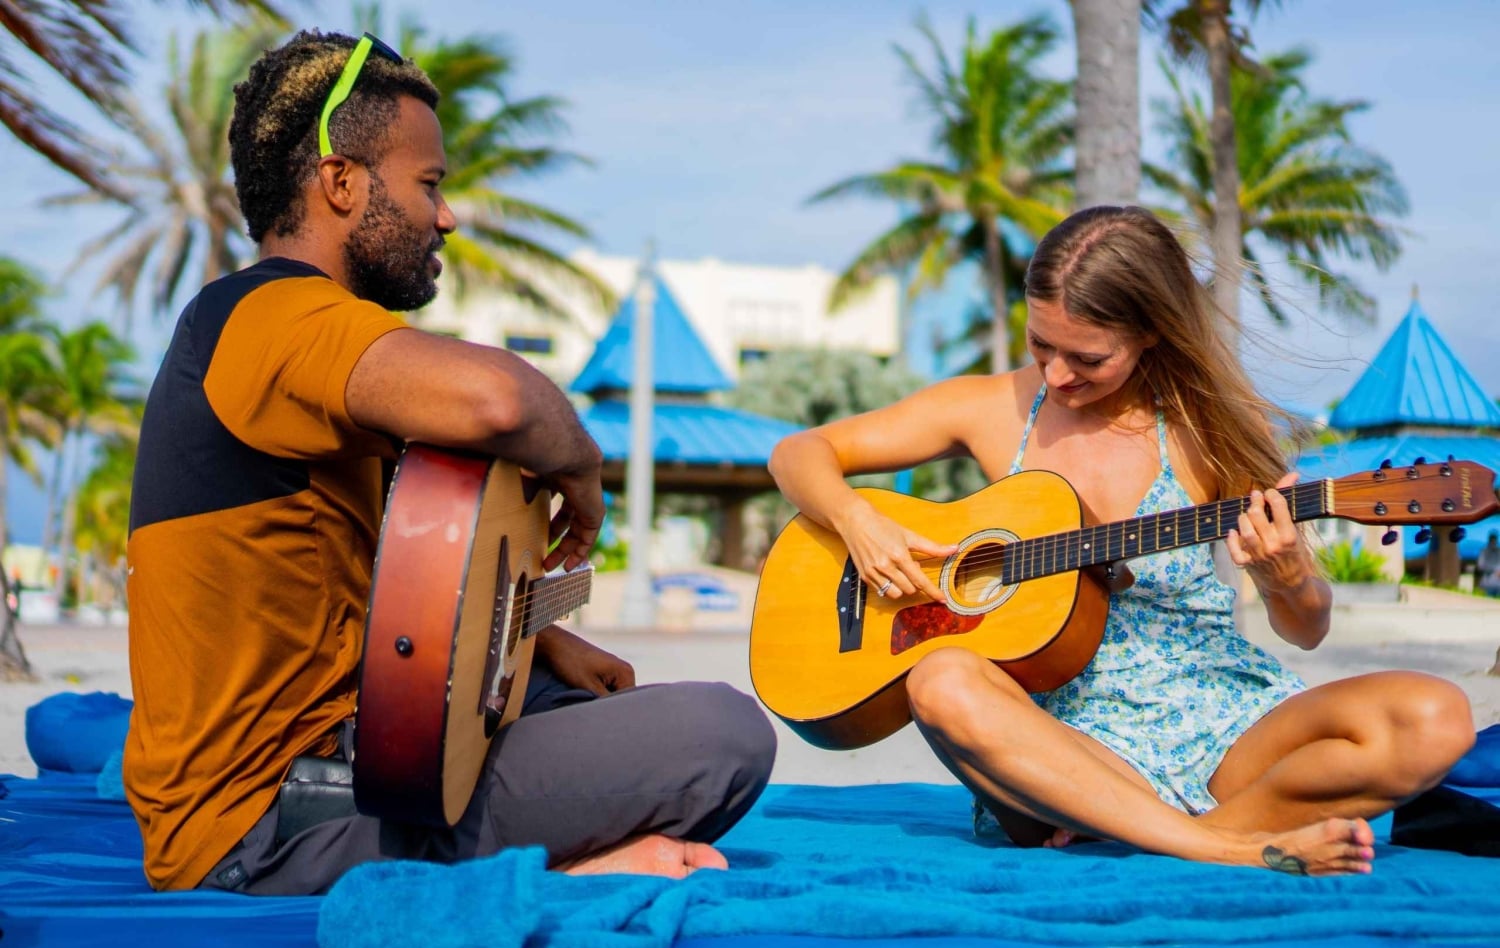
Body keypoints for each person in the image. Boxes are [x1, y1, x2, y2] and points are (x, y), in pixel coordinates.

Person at [123, 30, 775, 895]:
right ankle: (558, 870)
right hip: (264, 824)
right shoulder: (269, 318)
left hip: (347, 756)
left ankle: (548, 851)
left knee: (601, 707)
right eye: (428, 184)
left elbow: (365, 606)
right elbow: (497, 400)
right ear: (342, 181)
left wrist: (536, 644)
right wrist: (580, 465)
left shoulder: (294, 350)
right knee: (723, 734)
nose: (447, 214)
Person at [768, 205, 1476, 877]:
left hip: (1216, 713)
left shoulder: (1213, 429)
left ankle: (1173, 832)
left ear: (1150, 333)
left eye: (1086, 356)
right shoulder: (992, 407)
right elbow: (798, 451)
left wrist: (1286, 576)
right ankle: (1224, 843)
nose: (1055, 373)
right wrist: (857, 520)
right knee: (940, 679)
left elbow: (1308, 629)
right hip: (1053, 748)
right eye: (1040, 342)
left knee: (1435, 717)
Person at [1476, 530, 1500, 598]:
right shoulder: (1484, 551)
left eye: (1494, 540)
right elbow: (1480, 566)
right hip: (1488, 583)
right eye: (1492, 540)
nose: (1493, 542)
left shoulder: (1499, 551)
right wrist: (1495, 570)